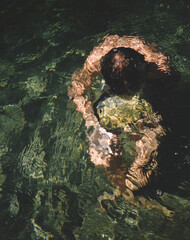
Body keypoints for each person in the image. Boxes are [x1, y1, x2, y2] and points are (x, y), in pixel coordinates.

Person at [68, 35, 175, 217]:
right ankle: (124, 189)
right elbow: (77, 91)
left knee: (149, 143)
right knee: (99, 145)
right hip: (112, 100)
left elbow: (170, 89)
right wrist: (92, 121)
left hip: (145, 97)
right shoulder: (95, 61)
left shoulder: (157, 65)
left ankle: (132, 187)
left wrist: (144, 123)